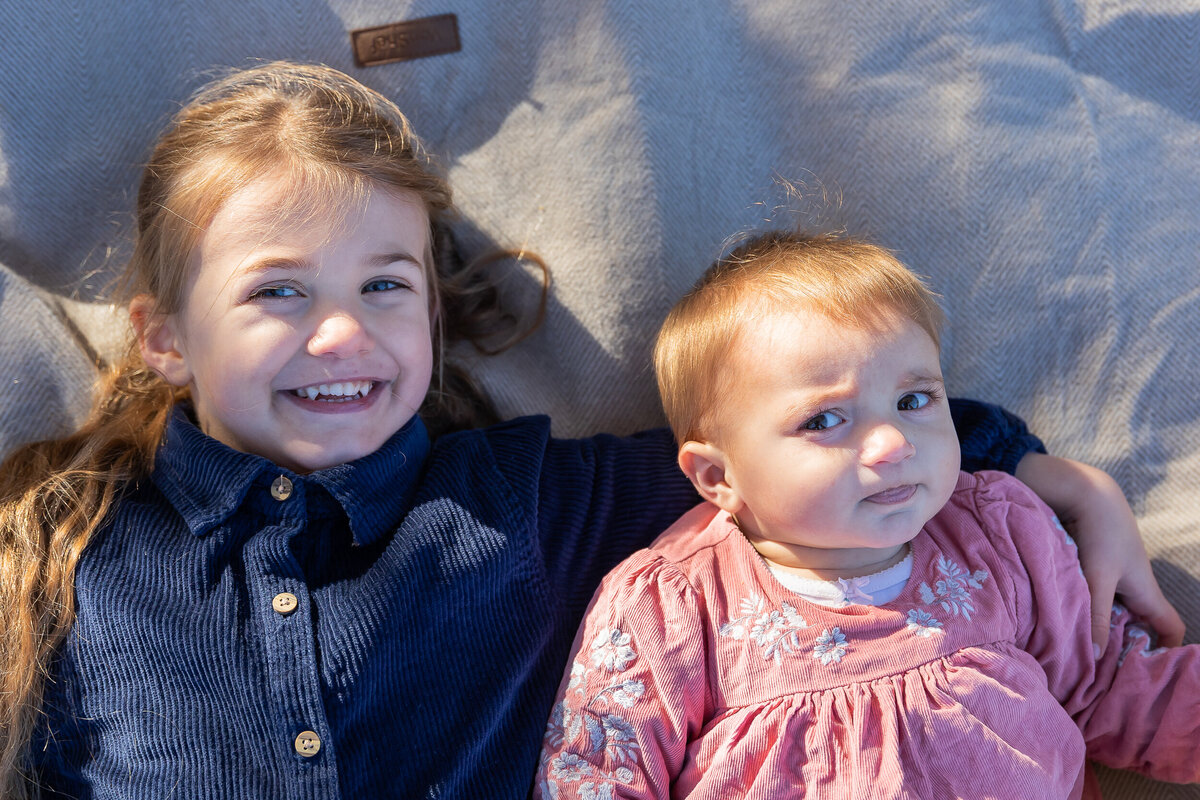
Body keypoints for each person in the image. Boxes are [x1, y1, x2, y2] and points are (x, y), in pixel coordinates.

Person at [0, 63, 1179, 800]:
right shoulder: (71, 549)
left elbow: (796, 441)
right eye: (278, 291)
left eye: (386, 286)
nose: (341, 335)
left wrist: (1038, 467)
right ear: (162, 336)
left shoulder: (524, 504)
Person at [533, 231, 1199, 799]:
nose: (893, 443)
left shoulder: (999, 537)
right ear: (719, 476)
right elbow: (596, 776)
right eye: (824, 420)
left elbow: (1117, 687)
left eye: (914, 400)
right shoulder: (673, 605)